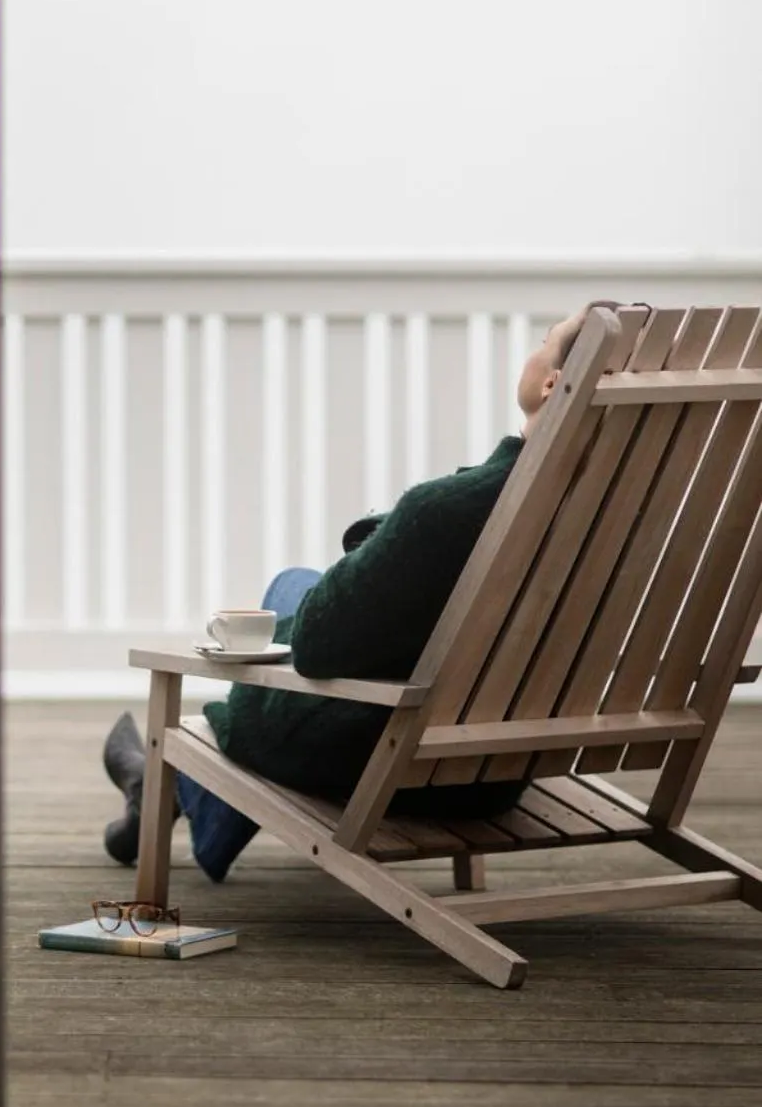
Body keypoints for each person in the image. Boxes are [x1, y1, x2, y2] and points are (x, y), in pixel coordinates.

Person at [102, 306, 599, 881]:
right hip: (499, 773)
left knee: (294, 609)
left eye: (544, 341)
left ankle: (159, 786)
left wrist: (384, 541)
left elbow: (313, 649)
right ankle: (179, 806)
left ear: (551, 383)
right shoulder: (622, 517)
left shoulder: (447, 513)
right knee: (293, 582)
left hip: (394, 761)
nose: (534, 349)